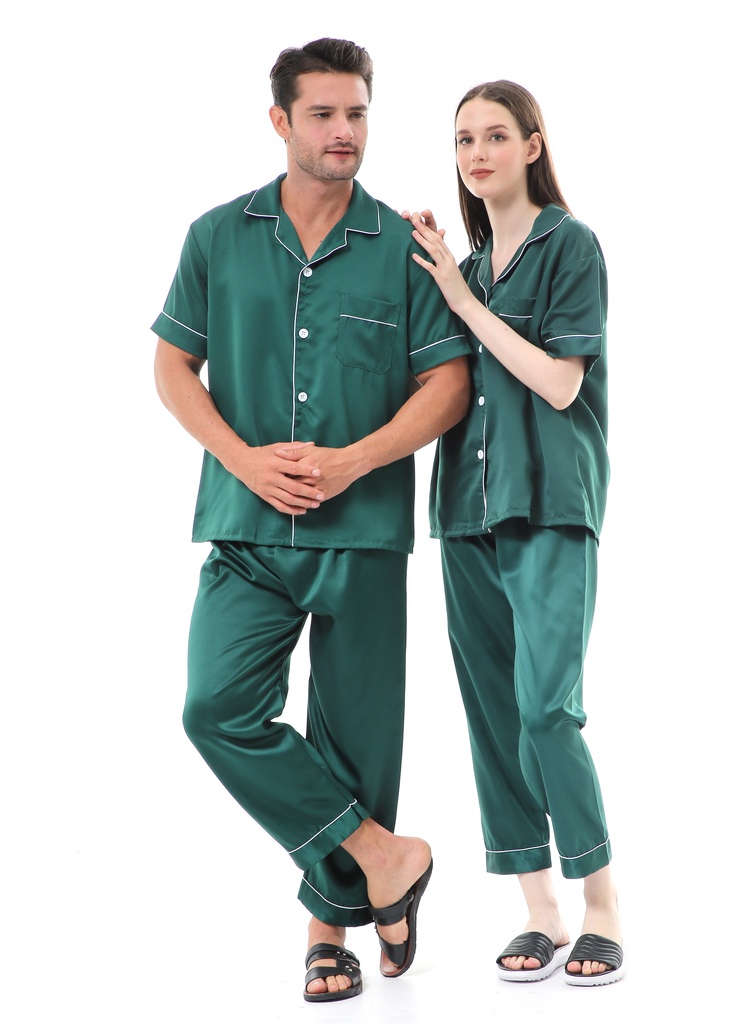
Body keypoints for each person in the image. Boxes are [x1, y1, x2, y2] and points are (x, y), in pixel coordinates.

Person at [151, 38, 470, 1003]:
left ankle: (328, 936)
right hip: (246, 529)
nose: (344, 132)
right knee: (215, 708)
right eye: (324, 114)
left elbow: (447, 386)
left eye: (357, 113)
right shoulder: (217, 236)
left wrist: (355, 460)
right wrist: (243, 459)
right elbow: (173, 366)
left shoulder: (403, 248)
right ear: (280, 121)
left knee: (359, 742)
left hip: (363, 530)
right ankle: (383, 857)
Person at [403, 79, 624, 986]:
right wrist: (439, 280)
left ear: (533, 146)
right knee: (495, 714)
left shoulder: (570, 245)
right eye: (464, 140)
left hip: (552, 504)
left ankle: (601, 904)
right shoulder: (467, 264)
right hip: (466, 510)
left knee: (546, 709)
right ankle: (539, 909)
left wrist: (463, 301)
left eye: (496, 136)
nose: (477, 154)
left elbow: (562, 384)